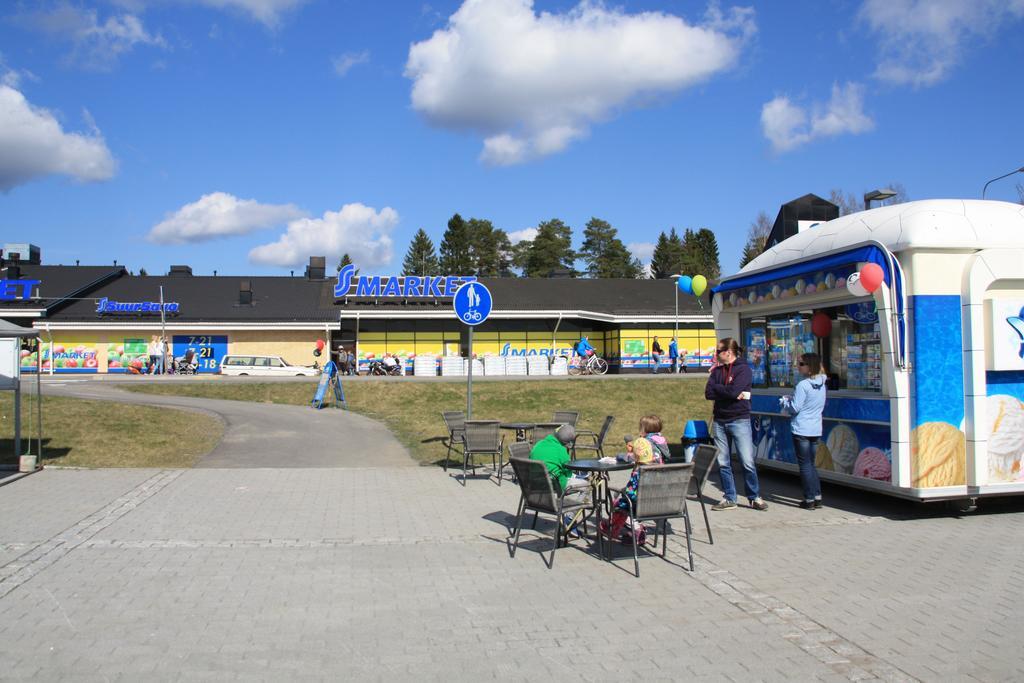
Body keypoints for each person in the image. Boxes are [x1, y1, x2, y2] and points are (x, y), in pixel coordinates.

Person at [705, 337, 767, 511]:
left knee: (747, 461)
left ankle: (754, 496)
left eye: (718, 351)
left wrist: (724, 391)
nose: (716, 354)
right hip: (720, 420)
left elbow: (734, 392)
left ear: (728, 352)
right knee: (723, 462)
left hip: (739, 419)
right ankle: (729, 497)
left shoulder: (743, 370)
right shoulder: (716, 371)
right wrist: (726, 391)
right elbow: (709, 393)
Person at [601, 415, 666, 544]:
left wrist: (621, 456)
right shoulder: (661, 443)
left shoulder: (646, 444)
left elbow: (633, 458)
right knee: (626, 499)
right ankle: (634, 530)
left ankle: (619, 529)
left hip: (641, 498)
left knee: (621, 502)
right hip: (658, 497)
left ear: (644, 429)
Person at [781, 352, 827, 509]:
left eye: (801, 364)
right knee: (811, 464)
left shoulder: (803, 385)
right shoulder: (821, 382)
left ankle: (809, 499)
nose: (798, 367)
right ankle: (817, 496)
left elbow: (795, 408)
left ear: (809, 366)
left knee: (805, 465)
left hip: (801, 429)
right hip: (815, 428)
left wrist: (785, 403)